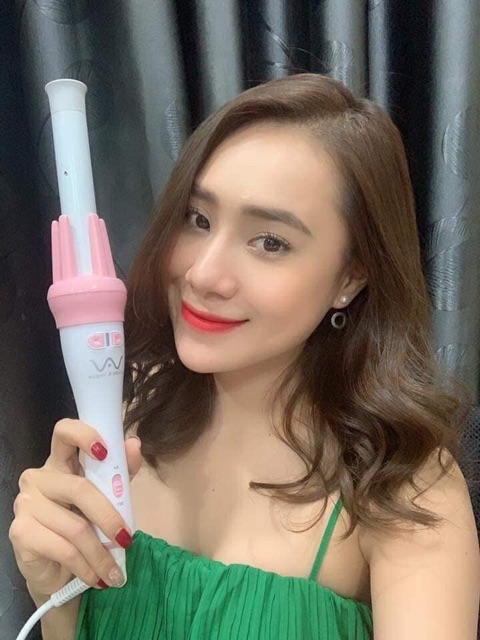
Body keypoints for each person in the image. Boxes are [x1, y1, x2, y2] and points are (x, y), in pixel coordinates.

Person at [9, 73, 480, 639]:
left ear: (350, 277)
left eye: (270, 242)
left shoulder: (404, 487)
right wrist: (53, 591)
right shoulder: (132, 421)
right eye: (199, 219)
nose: (203, 275)